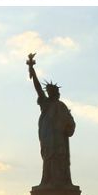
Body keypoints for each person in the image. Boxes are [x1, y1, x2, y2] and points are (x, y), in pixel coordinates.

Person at [27, 54, 76, 187]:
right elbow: (38, 88)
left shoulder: (61, 106)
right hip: (48, 137)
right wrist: (32, 70)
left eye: (51, 91)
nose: (49, 93)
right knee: (49, 158)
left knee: (59, 158)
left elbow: (70, 122)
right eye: (48, 91)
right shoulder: (45, 103)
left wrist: (68, 128)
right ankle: (48, 181)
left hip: (59, 138)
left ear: (56, 93)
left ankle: (60, 182)